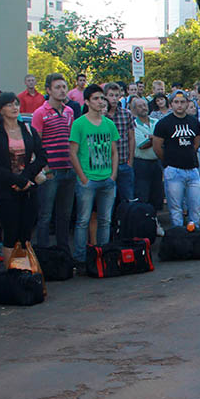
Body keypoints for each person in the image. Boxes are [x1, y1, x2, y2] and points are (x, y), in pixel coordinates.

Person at [0, 92, 46, 257]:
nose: (15, 108)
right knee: (10, 233)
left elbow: (42, 156)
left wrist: (25, 177)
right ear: (0, 110)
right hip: (6, 190)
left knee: (26, 233)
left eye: (16, 104)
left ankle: (26, 271)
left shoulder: (28, 130)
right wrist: (16, 180)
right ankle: (12, 273)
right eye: (10, 105)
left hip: (27, 188)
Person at [69, 84, 119, 263]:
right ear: (88, 102)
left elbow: (114, 151)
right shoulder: (79, 124)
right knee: (83, 221)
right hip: (88, 180)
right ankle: (81, 258)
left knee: (105, 220)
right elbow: (72, 152)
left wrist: (113, 175)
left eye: (101, 98)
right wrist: (82, 177)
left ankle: (103, 255)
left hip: (107, 179)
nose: (100, 102)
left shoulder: (109, 124)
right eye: (96, 98)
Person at [32, 73, 77, 255]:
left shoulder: (69, 112)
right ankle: (43, 253)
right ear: (48, 90)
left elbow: (71, 140)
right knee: (45, 215)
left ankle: (63, 252)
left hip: (68, 168)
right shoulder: (40, 113)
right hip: (50, 171)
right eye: (57, 87)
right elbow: (36, 143)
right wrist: (43, 168)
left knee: (64, 216)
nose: (62, 90)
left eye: (64, 87)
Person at [153, 90, 200, 230]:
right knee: (175, 209)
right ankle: (178, 236)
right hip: (173, 171)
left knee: (195, 206)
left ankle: (194, 235)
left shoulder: (193, 121)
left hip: (192, 170)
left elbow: (196, 142)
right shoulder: (163, 123)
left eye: (182, 102)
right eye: (176, 102)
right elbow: (157, 147)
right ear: (171, 105)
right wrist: (168, 160)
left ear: (187, 103)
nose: (179, 105)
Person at [130, 96, 163, 215]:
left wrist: (152, 138)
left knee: (157, 194)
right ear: (134, 109)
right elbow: (142, 145)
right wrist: (156, 139)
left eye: (145, 105)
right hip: (141, 163)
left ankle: (154, 222)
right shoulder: (133, 125)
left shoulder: (157, 122)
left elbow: (164, 140)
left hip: (156, 162)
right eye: (140, 106)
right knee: (142, 194)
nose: (144, 108)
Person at [104, 82, 136, 205]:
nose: (113, 98)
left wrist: (131, 160)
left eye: (116, 95)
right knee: (107, 201)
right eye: (111, 95)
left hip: (123, 162)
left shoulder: (126, 114)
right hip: (106, 165)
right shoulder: (101, 116)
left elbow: (131, 138)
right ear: (105, 96)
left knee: (128, 198)